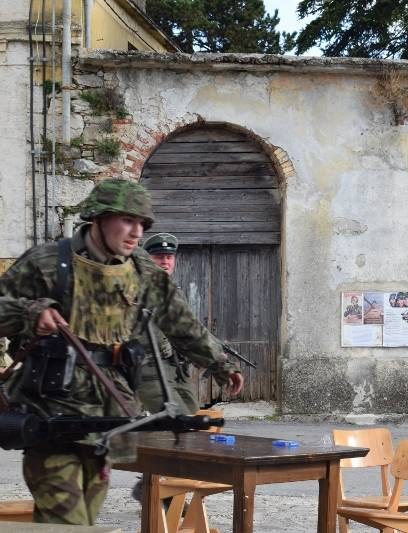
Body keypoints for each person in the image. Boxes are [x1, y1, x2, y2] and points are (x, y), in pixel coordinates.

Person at [0, 178, 244, 525]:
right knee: (67, 521)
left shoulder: (141, 270)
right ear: (98, 218)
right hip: (51, 405)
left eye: (142, 224)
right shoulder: (47, 263)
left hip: (109, 411)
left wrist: (220, 364)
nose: (136, 232)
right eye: (127, 220)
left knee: (83, 517)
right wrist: (29, 313)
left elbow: (180, 321)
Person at [136, 232, 198, 416]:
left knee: (192, 413)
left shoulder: (174, 292)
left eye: (169, 257)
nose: (165, 262)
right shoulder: (137, 289)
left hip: (176, 366)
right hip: (149, 367)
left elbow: (187, 328)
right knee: (176, 419)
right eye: (159, 257)